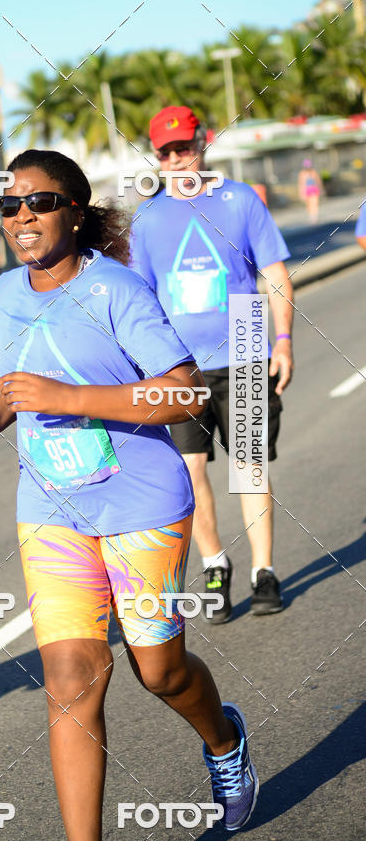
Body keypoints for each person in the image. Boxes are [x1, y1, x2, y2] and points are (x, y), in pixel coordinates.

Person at [0, 149, 259, 840]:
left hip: (140, 502)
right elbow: (17, 381)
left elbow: (183, 391)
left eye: (40, 202)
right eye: (11, 205)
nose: (23, 216)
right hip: (51, 506)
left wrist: (72, 397)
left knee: (160, 671)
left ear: (76, 210)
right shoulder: (3, 294)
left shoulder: (116, 290)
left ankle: (223, 741)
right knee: (70, 680)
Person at [130, 106, 294, 623]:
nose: (179, 159)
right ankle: (215, 564)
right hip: (179, 367)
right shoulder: (148, 218)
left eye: (186, 147)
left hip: (244, 346)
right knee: (190, 471)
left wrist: (283, 342)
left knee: (249, 470)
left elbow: (274, 274)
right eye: (167, 152)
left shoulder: (239, 200)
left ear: (205, 143)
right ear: (156, 158)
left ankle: (263, 572)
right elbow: (140, 300)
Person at [297, 159, 322, 224]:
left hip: (314, 189)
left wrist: (320, 189)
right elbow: (301, 184)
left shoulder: (313, 172)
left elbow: (318, 181)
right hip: (307, 190)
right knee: (309, 204)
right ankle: (311, 216)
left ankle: (315, 216)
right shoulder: (302, 173)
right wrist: (301, 193)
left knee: (314, 203)